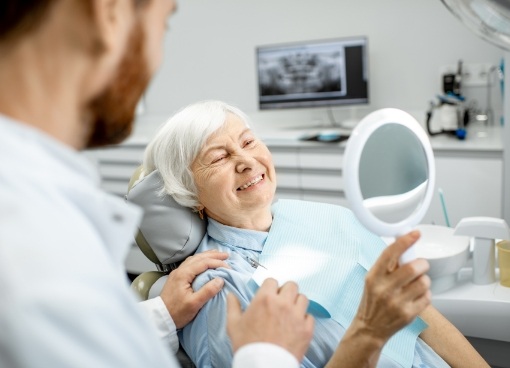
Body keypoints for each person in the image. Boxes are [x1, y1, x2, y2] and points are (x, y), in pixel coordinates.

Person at [0, 1, 313, 367]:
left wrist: (162, 314)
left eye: (247, 142)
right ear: (109, 13)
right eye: (164, 23)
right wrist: (268, 355)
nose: (157, 57)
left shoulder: (38, 215)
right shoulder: (34, 247)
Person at [142, 99, 490, 368]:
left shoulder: (323, 216)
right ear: (190, 193)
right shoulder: (217, 289)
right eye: (218, 158)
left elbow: (420, 315)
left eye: (248, 141)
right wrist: (368, 331)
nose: (246, 160)